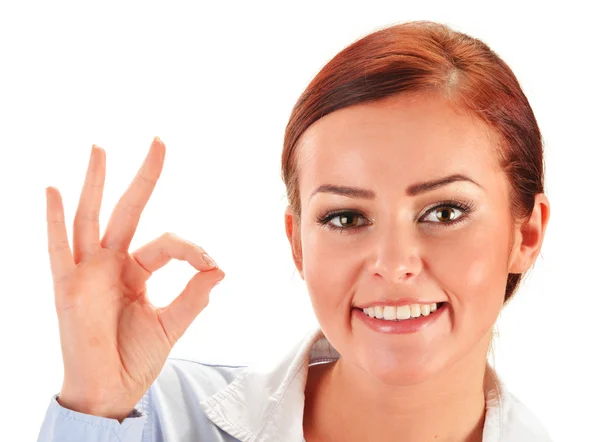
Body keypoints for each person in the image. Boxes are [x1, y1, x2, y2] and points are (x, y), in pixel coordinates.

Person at [37, 20, 553, 442]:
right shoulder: (151, 422)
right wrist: (93, 407)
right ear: (298, 242)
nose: (394, 263)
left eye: (444, 212)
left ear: (525, 236)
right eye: (346, 218)